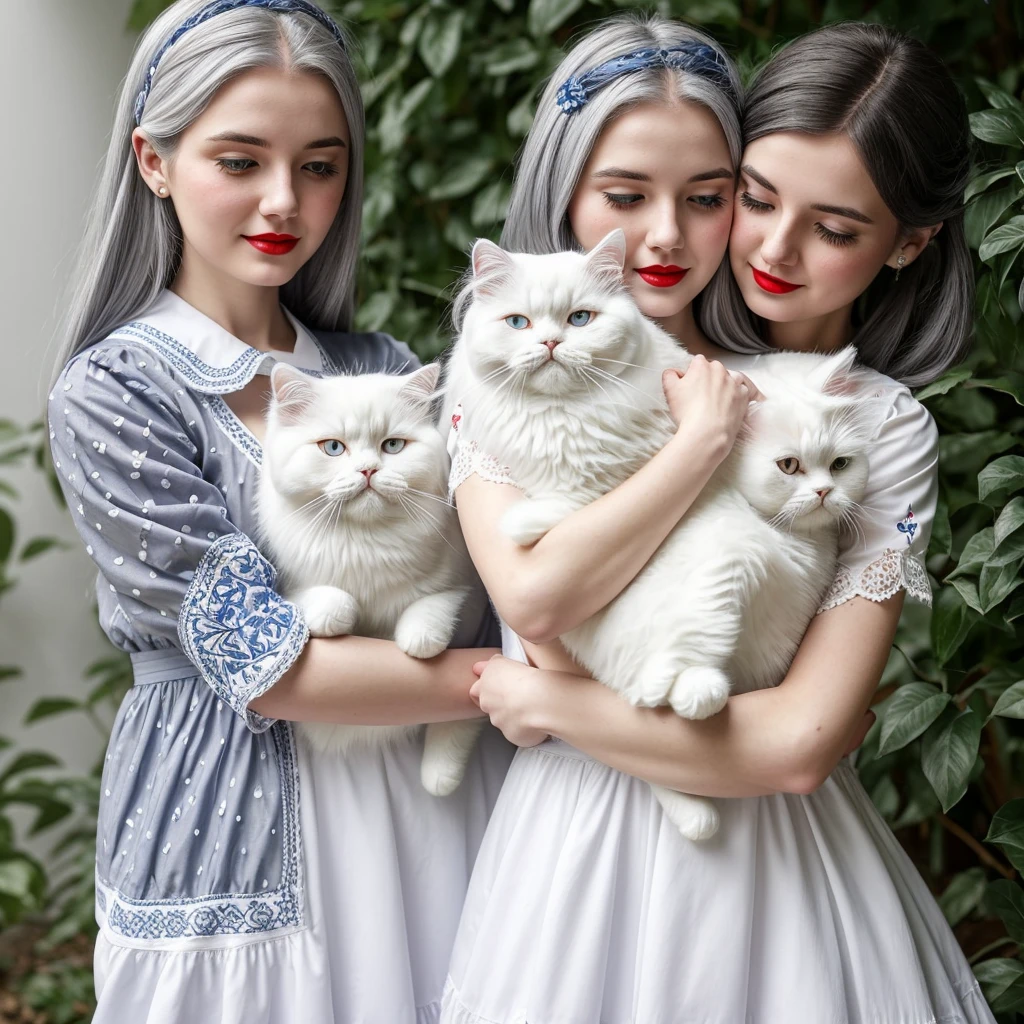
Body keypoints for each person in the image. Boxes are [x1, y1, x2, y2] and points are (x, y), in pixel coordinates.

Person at [441, 17, 992, 1024]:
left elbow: (796, 743)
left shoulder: (862, 421)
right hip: (572, 848)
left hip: (772, 858)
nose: (675, 233)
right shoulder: (513, 368)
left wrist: (556, 704)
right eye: (756, 201)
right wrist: (697, 448)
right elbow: (537, 599)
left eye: (706, 198)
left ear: (907, 241)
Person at [49, 2, 511, 1020]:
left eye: (319, 164)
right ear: (153, 160)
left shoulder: (384, 371)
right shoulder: (120, 390)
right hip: (235, 823)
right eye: (240, 159)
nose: (283, 201)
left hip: (435, 803)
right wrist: (521, 688)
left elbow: (499, 579)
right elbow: (263, 662)